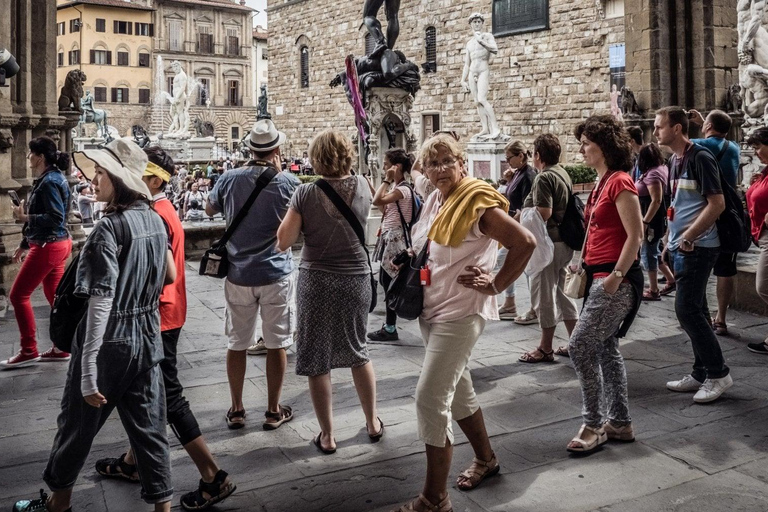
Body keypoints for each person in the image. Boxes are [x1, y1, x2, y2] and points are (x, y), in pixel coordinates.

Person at [11, 138, 174, 512]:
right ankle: (163, 507)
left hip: (108, 343)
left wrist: (86, 371)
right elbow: (168, 275)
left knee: (76, 426)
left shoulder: (109, 229)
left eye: (101, 172)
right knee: (150, 429)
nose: (93, 179)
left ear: (119, 178)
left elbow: (100, 304)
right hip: (147, 335)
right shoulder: (155, 219)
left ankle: (58, 503)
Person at [391, 133, 536, 512]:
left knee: (430, 398)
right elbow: (432, 245)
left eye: (446, 161)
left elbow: (525, 242)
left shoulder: (477, 201)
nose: (440, 169)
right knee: (458, 392)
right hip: (433, 308)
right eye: (432, 163)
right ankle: (486, 459)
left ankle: (434, 499)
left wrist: (497, 283)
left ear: (461, 163)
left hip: (461, 312)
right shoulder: (438, 198)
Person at [93, 147, 236, 511]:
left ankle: (212, 476)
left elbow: (153, 273)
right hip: (166, 312)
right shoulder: (165, 210)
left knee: (168, 396)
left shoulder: (155, 215)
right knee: (144, 390)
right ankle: (132, 462)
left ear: (154, 179)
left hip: (158, 315)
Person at [276, 129, 383, 454]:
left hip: (317, 281)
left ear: (316, 157)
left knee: (316, 356)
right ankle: (372, 422)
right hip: (355, 278)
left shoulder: (305, 193)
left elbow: (284, 241)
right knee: (357, 349)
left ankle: (328, 435)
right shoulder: (364, 184)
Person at [206, 119, 299, 430]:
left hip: (238, 274)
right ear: (275, 150)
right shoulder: (287, 183)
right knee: (276, 344)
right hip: (275, 273)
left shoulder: (229, 178)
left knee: (237, 342)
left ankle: (236, 409)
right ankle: (273, 410)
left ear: (248, 149)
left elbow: (208, 210)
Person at [566, 115, 644, 454]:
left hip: (615, 277)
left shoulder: (620, 182)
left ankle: (594, 424)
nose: (582, 149)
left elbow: (636, 234)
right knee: (605, 349)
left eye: (587, 143)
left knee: (580, 346)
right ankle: (620, 422)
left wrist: (615, 276)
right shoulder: (602, 182)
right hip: (598, 272)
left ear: (605, 146)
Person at [654, 106, 732, 403]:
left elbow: (717, 204)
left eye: (660, 126)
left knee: (686, 311)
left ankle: (718, 373)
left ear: (676, 128)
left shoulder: (700, 157)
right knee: (696, 310)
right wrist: (668, 239)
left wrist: (687, 237)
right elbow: (679, 205)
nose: (656, 131)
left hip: (699, 247)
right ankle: (701, 371)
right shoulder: (675, 159)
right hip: (681, 245)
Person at [2, 137, 72, 369]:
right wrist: (24, 244)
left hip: (48, 245)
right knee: (55, 297)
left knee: (18, 296)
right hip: (56, 244)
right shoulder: (51, 178)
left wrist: (24, 218)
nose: (27, 157)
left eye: (31, 153)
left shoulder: (49, 182)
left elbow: (55, 217)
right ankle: (63, 346)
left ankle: (29, 349)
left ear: (40, 157)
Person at [518, 134, 579, 362]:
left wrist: (522, 215)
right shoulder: (562, 172)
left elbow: (544, 212)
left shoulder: (543, 178)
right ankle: (575, 343)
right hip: (563, 242)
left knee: (544, 295)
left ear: (538, 155)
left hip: (549, 243)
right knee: (563, 292)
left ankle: (545, 348)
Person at [689, 109, 741, 335]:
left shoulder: (701, 145)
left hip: (707, 211)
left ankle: (697, 314)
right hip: (730, 214)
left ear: (709, 128)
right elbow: (717, 139)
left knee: (698, 264)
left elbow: (681, 144)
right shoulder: (734, 147)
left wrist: (689, 124)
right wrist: (705, 122)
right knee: (725, 268)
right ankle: (721, 318)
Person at [368, 148, 415, 342]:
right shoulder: (398, 189)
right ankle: (389, 325)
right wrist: (373, 185)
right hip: (389, 239)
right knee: (387, 283)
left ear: (397, 167)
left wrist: (386, 181)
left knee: (391, 284)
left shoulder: (402, 189)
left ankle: (390, 327)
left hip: (396, 242)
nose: (384, 168)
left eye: (387, 165)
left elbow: (378, 200)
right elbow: (382, 207)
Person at [498, 140, 537, 320]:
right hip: (516, 225)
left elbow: (526, 206)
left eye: (509, 158)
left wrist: (508, 223)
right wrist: (508, 179)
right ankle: (510, 302)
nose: (508, 162)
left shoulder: (528, 175)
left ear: (521, 156)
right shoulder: (518, 173)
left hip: (521, 227)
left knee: (526, 267)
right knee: (510, 262)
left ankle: (533, 306)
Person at [634, 143, 672, 300]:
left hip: (651, 220)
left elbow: (656, 200)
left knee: (649, 253)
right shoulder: (659, 169)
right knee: (655, 251)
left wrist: (644, 221)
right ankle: (671, 279)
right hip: (653, 219)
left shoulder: (653, 174)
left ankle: (654, 290)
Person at [461, 13, 502, 140]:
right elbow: (467, 63)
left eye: (479, 21)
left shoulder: (487, 36)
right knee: (477, 102)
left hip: (483, 69)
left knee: (483, 99)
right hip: (473, 71)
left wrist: (482, 42)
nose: (477, 24)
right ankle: (485, 128)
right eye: (474, 22)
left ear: (482, 23)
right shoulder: (469, 43)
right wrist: (462, 80)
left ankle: (495, 128)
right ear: (471, 24)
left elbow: (495, 49)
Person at [746, 127, 768, 354]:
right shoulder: (765, 171)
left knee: (764, 287)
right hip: (762, 236)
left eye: (758, 147)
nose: (756, 152)